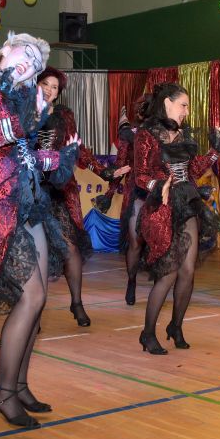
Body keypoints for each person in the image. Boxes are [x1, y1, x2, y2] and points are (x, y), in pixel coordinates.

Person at [0, 32, 79, 429]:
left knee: (38, 301)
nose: (29, 63)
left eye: (36, 63)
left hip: (30, 202)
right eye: (25, 53)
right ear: (5, 50)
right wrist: (27, 114)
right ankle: (3, 391)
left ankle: (20, 385)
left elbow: (27, 156)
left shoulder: (25, 100)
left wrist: (61, 156)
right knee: (31, 296)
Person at [134, 82, 220, 354]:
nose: (186, 111)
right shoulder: (146, 134)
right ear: (167, 103)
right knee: (168, 273)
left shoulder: (183, 133)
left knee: (188, 271)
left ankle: (175, 326)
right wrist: (157, 185)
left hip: (186, 203)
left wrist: (214, 151)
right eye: (183, 105)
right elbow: (140, 175)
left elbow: (193, 169)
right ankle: (147, 333)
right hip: (162, 207)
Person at [36, 67, 129, 326]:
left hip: (59, 189)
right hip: (30, 191)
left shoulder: (64, 115)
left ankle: (76, 303)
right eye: (45, 84)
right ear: (36, 84)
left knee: (71, 249)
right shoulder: (22, 112)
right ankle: (33, 311)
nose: (49, 90)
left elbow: (78, 149)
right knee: (35, 253)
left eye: (55, 87)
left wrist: (105, 171)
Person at [95, 102, 148, 306]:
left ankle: (161, 281)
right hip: (136, 191)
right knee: (135, 241)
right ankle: (131, 281)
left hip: (159, 191)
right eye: (142, 109)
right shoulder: (129, 134)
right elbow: (120, 165)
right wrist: (109, 193)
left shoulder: (162, 132)